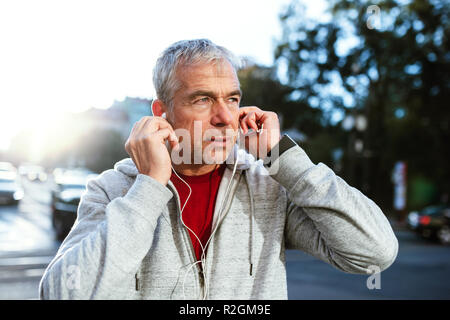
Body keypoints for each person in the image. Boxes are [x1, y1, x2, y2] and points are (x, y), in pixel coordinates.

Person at [39, 39, 398, 300]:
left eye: (232, 99)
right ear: (161, 112)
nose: (225, 117)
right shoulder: (112, 190)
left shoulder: (268, 186)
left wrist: (283, 158)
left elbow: (374, 254)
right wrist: (148, 186)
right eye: (203, 99)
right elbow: (64, 294)